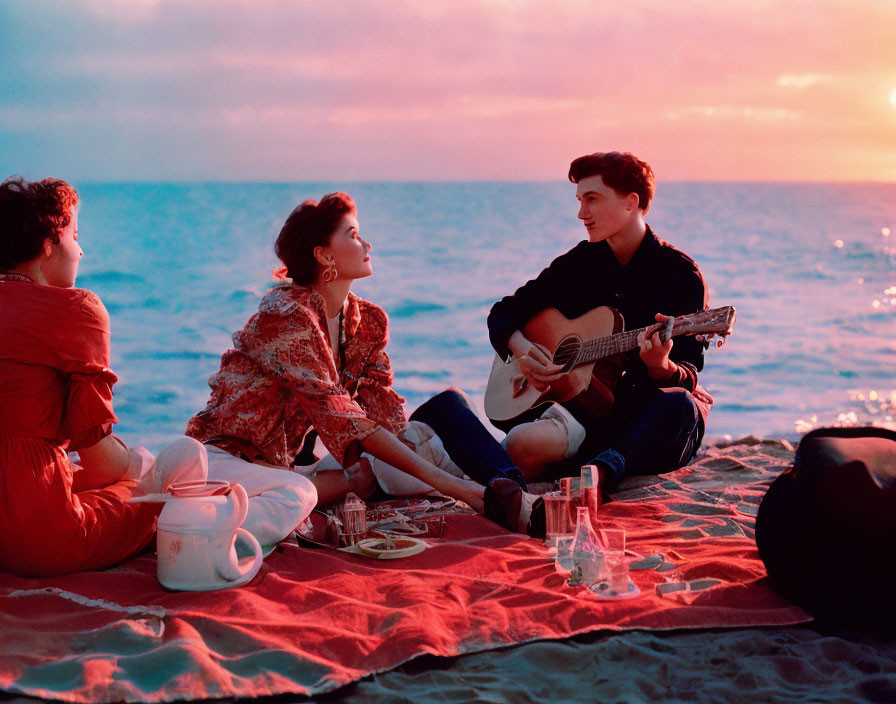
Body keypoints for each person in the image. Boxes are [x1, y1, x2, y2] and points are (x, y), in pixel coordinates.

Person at [186, 192, 543, 536]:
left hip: (305, 465)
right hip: (235, 461)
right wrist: (462, 492)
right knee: (319, 488)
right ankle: (492, 496)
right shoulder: (285, 318)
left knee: (444, 410)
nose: (367, 244)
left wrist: (412, 450)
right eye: (353, 234)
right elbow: (341, 416)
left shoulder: (366, 321)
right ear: (323, 255)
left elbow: (381, 417)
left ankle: (512, 493)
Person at [0, 176, 208, 577]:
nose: (81, 250)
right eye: (74, 235)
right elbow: (102, 462)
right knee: (179, 458)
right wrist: (136, 469)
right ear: (49, 243)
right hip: (41, 539)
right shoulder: (76, 310)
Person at [487, 152, 712, 495]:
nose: (581, 214)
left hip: (642, 419)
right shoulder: (579, 263)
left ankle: (602, 473)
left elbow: (689, 373)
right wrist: (523, 349)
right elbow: (504, 311)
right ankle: (591, 470)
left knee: (682, 405)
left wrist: (660, 366)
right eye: (580, 201)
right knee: (526, 442)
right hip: (585, 418)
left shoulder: (680, 275)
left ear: (630, 201)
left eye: (592, 199)